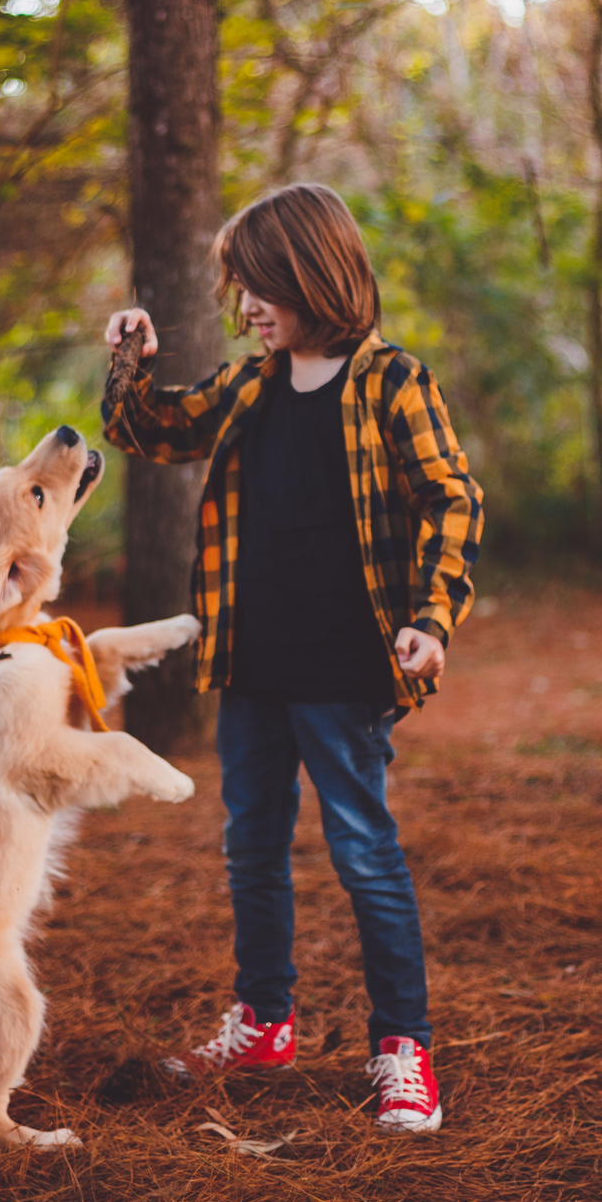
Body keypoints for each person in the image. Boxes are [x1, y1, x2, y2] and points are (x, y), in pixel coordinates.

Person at [102, 183, 483, 1132]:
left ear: (313, 273)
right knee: (250, 848)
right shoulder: (248, 385)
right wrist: (127, 359)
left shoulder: (390, 380)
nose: (247, 307)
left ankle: (402, 1046)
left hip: (346, 673)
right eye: (240, 290)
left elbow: (454, 499)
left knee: (363, 852)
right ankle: (265, 1020)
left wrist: (432, 621)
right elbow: (147, 429)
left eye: (260, 286)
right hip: (252, 667)